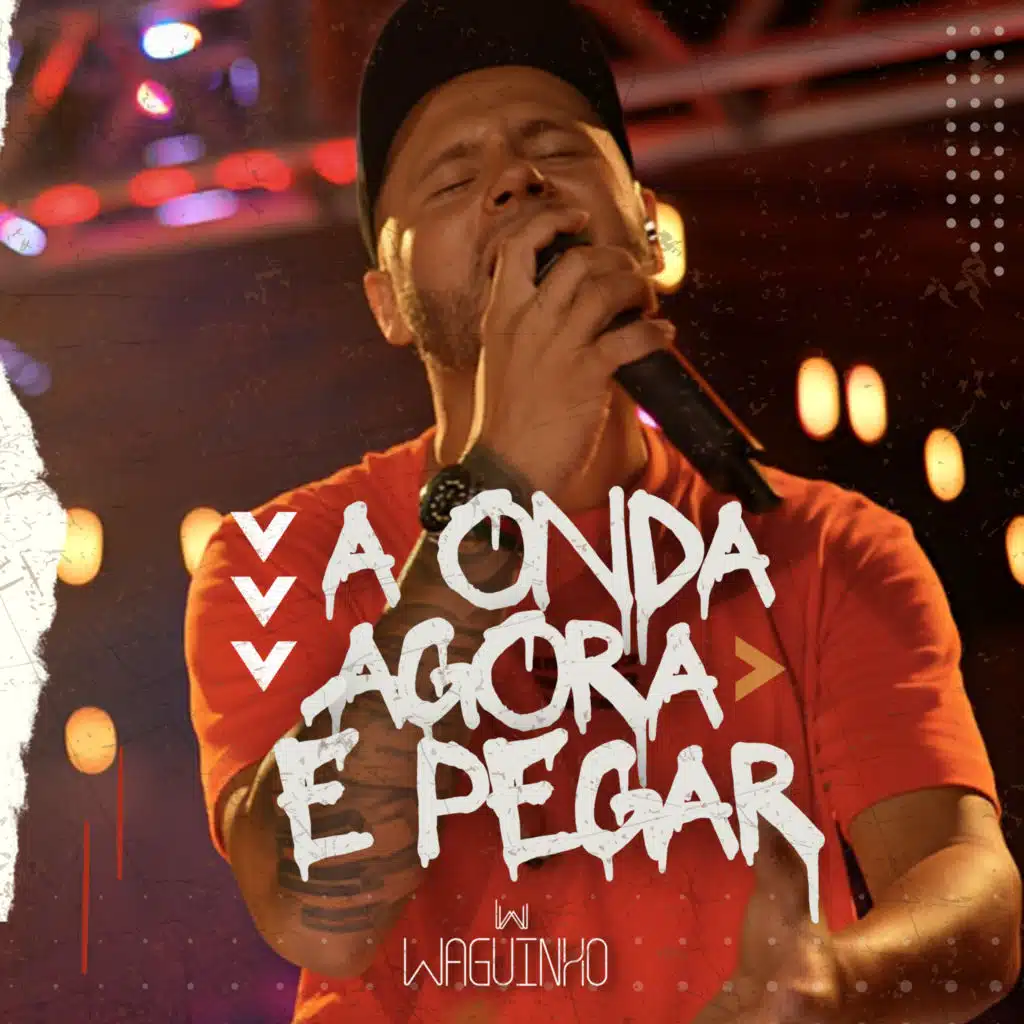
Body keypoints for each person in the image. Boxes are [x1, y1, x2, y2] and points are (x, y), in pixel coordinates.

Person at [184, 1, 1021, 1021]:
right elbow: (319, 917)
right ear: (388, 303)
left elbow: (971, 906)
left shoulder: (820, 547)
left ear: (648, 234)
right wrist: (498, 487)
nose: (514, 180)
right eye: (451, 179)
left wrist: (834, 981)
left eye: (555, 151)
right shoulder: (279, 559)